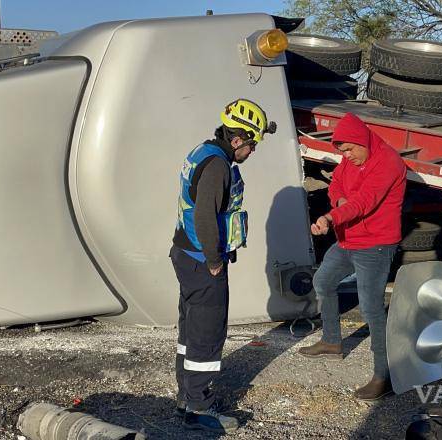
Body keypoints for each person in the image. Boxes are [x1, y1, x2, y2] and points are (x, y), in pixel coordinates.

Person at [170, 98, 276, 433]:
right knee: (207, 331)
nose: (253, 150)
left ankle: (187, 394)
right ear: (236, 140)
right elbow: (204, 215)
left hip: (186, 255)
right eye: (252, 143)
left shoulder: (203, 151)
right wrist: (215, 261)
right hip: (203, 261)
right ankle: (199, 409)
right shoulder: (217, 166)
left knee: (191, 328)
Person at [297, 112, 406, 401]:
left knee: (371, 309)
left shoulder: (388, 162)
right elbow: (336, 186)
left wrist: (332, 216)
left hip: (376, 245)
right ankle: (332, 342)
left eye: (349, 149)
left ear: (361, 141)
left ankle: (386, 376)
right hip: (349, 240)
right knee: (323, 281)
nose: (346, 155)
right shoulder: (350, 159)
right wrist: (338, 201)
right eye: (341, 151)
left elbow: (364, 202)